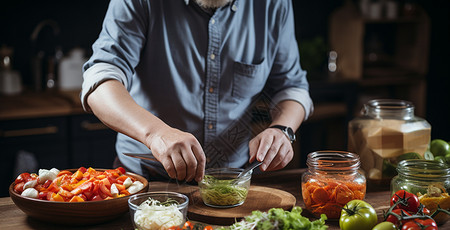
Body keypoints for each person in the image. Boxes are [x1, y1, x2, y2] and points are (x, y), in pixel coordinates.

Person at [81, 0, 314, 183]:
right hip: (147, 179)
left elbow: (292, 86)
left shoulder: (274, 4)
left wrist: (282, 129)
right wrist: (156, 134)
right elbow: (100, 82)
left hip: (235, 181)